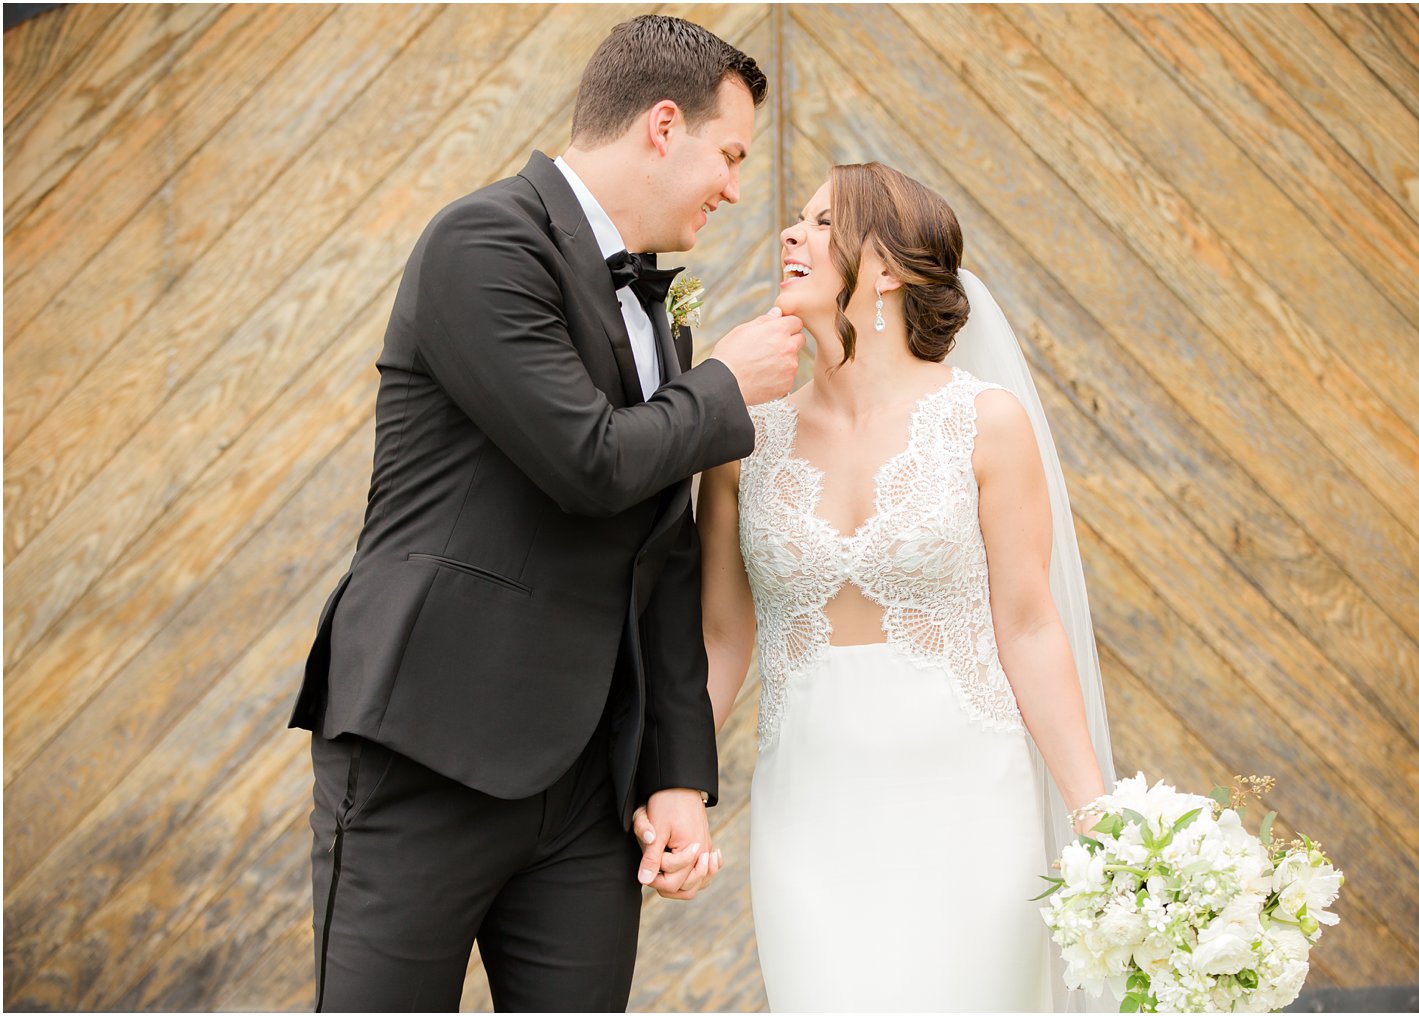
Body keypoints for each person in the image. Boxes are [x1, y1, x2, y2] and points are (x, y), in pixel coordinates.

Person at [285, 15, 804, 1012]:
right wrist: (727, 385)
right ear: (663, 125)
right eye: (728, 153)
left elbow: (659, 549)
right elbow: (590, 464)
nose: (734, 187)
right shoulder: (482, 240)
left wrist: (673, 771)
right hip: (426, 746)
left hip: (583, 785)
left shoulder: (661, 305)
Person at [638, 163, 1117, 1010]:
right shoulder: (744, 439)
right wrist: (674, 780)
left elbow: (1032, 626)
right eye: (797, 219)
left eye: (823, 224)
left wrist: (1098, 816)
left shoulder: (984, 423)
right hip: (812, 813)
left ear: (888, 268)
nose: (791, 234)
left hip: (970, 804)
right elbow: (721, 636)